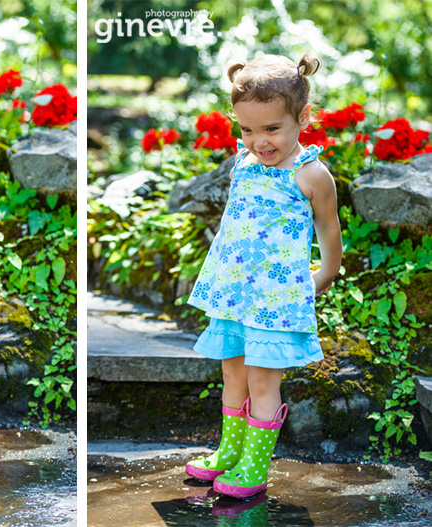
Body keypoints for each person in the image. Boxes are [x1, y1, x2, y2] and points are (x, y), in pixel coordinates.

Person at [185, 53, 342, 498]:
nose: (260, 141)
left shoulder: (311, 174)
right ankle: (229, 453)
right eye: (248, 130)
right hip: (234, 292)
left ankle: (253, 467)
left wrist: (326, 272)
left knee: (261, 378)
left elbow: (328, 227)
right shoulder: (245, 161)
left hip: (275, 298)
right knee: (232, 371)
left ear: (303, 118)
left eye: (272, 129)